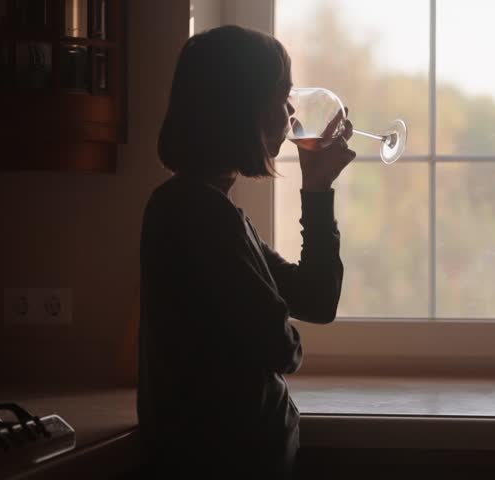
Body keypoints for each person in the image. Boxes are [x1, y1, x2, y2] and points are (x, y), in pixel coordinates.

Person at [137, 25, 354, 478]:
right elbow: (282, 346)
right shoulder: (193, 212)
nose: (291, 111)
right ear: (241, 107)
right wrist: (277, 327)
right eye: (281, 95)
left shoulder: (213, 210)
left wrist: (316, 188)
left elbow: (316, 300)